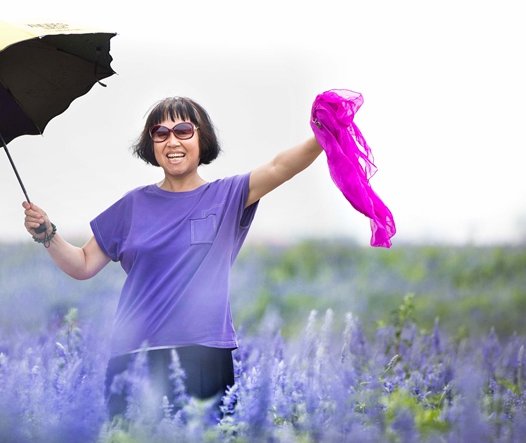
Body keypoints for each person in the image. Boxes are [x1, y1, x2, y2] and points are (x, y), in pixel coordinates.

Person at [22, 96, 322, 419]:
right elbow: (82, 264)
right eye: (160, 133)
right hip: (133, 357)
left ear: (201, 138)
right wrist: (47, 234)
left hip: (205, 356)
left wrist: (324, 136)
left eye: (183, 130)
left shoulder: (228, 196)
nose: (172, 141)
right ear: (150, 144)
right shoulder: (133, 205)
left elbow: (280, 167)